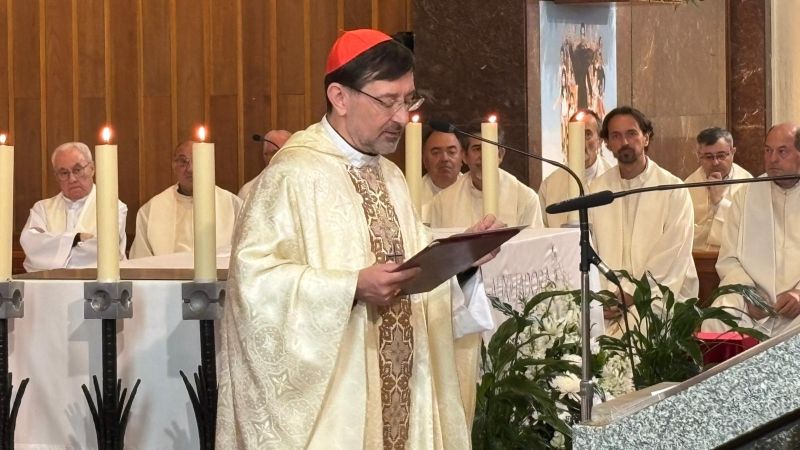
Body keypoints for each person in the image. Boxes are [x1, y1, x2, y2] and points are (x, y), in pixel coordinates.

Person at [216, 29, 500, 449]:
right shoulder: (293, 174)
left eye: (409, 100)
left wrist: (460, 259)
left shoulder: (392, 177)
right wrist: (349, 288)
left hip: (403, 394)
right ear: (340, 97)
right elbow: (253, 285)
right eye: (387, 101)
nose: (402, 117)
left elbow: (414, 267)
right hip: (339, 414)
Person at [589, 106, 698, 336]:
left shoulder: (672, 190)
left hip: (658, 295)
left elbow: (672, 254)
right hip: (607, 299)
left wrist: (632, 293)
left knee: (634, 334)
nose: (624, 142)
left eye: (632, 133)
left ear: (646, 137)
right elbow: (590, 249)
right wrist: (603, 296)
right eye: (616, 136)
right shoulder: (597, 190)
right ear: (607, 143)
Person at [703, 123, 800, 337]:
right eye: (768, 150)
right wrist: (748, 293)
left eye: (782, 151)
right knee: (717, 318)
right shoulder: (746, 195)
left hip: (796, 308)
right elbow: (729, 258)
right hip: (752, 302)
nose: (772, 159)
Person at [20, 142, 127, 271]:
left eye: (77, 170)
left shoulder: (113, 207)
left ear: (92, 168)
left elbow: (103, 249)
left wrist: (53, 249)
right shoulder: (42, 209)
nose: (72, 179)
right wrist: (76, 238)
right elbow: (32, 246)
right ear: (56, 176)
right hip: (50, 282)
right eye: (64, 173)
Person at [129, 140, 242, 259]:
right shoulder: (151, 210)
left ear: (209, 164)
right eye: (183, 161)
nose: (190, 169)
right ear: (173, 165)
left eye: (198, 160)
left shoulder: (233, 206)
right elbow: (141, 261)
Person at [428, 122, 544, 229]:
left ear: (500, 155)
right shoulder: (443, 202)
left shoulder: (526, 199)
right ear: (464, 156)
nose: (484, 156)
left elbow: (534, 243)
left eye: (489, 148)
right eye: (477, 149)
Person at [539, 109, 612, 228]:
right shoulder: (549, 185)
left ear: (599, 141)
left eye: (587, 134)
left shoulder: (615, 179)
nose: (580, 141)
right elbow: (542, 231)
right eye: (575, 134)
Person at [685, 127, 752, 251]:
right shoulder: (687, 186)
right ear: (699, 156)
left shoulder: (748, 184)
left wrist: (719, 203)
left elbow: (749, 229)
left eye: (721, 156)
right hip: (696, 257)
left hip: (732, 257)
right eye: (708, 157)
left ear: (732, 152)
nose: (715, 162)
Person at [420, 127, 462, 223]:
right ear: (425, 160)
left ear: (462, 157)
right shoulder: (409, 194)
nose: (444, 158)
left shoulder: (475, 192)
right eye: (436, 153)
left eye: (451, 152)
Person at [238, 129, 292, 199]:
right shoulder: (248, 191)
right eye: (273, 153)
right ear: (264, 156)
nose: (277, 157)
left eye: (282, 152)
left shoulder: (302, 183)